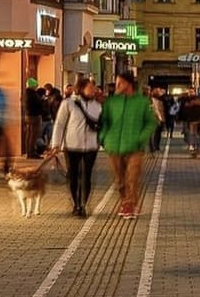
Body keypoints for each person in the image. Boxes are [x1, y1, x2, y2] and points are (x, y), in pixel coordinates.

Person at [98, 69, 158, 218]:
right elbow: (104, 122)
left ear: (128, 84)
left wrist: (141, 138)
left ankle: (130, 205)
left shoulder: (142, 102)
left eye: (120, 83)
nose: (117, 85)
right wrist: (103, 138)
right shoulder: (111, 102)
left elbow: (151, 123)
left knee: (132, 177)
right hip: (113, 146)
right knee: (119, 180)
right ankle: (124, 201)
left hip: (134, 147)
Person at [49, 74, 102, 217]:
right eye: (90, 88)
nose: (93, 91)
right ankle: (76, 203)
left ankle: (83, 204)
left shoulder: (97, 106)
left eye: (94, 88)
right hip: (72, 145)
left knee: (86, 176)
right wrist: (56, 144)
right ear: (81, 89)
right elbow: (59, 124)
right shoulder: (68, 104)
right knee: (73, 175)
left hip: (91, 146)